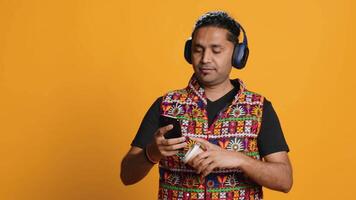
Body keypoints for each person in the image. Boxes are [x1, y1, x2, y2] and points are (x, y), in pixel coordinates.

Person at [121, 11, 293, 200]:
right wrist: (152, 153)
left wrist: (240, 160)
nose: (205, 59)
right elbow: (127, 176)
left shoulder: (259, 108)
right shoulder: (165, 105)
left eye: (216, 50)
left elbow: (284, 180)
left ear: (237, 54)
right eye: (198, 49)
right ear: (189, 52)